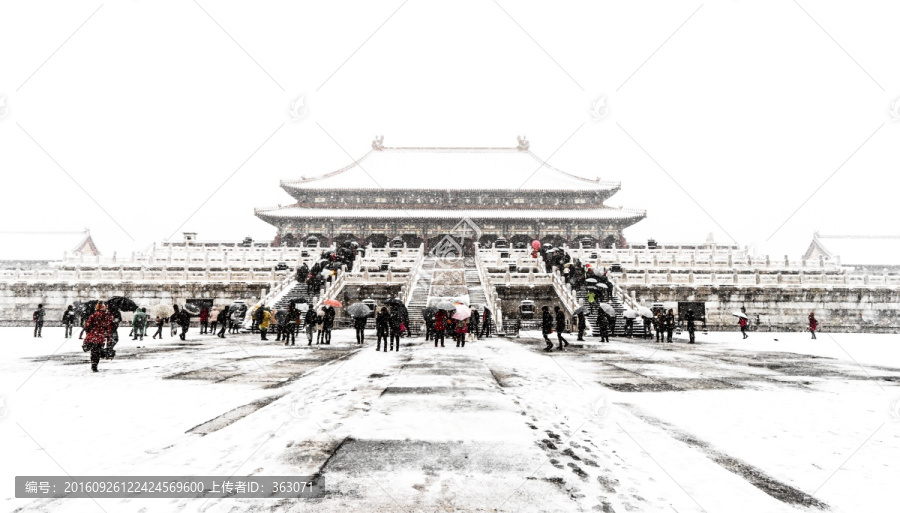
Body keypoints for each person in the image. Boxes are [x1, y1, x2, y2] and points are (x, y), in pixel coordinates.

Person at [82, 302, 112, 372]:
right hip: (100, 336)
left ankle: (93, 364)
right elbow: (108, 328)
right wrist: (108, 338)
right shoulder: (106, 317)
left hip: (92, 335)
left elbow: (87, 326)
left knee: (93, 351)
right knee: (97, 351)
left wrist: (89, 331)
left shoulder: (93, 315)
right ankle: (95, 365)